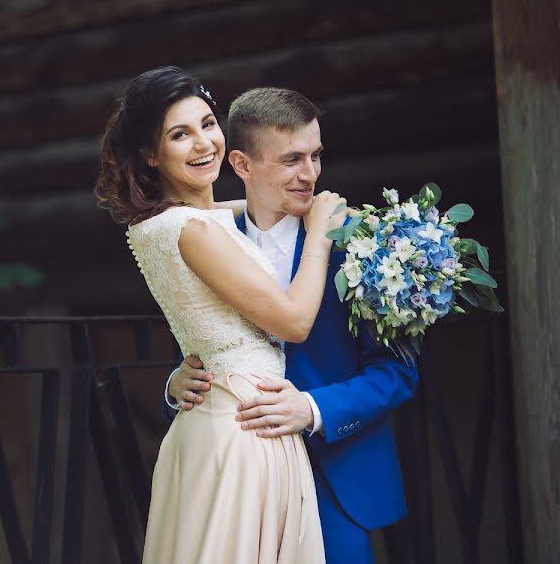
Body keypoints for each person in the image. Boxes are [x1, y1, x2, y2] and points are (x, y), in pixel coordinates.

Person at [96, 65, 346, 563]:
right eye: (179, 135)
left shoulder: (160, 224)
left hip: (221, 424)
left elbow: (233, 212)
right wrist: (319, 229)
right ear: (151, 154)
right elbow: (293, 322)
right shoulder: (195, 231)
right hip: (244, 435)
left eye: (208, 124)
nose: (203, 143)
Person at [166, 87, 420, 563]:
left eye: (315, 156)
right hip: (239, 482)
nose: (311, 175)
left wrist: (313, 408)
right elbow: (205, 346)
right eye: (291, 160)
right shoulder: (208, 243)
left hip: (333, 479)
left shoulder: (359, 246)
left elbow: (399, 372)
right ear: (242, 166)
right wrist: (176, 383)